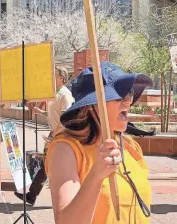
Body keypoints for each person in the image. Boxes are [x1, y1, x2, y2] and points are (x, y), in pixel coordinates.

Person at [45, 62, 152, 224]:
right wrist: (96, 175)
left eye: (129, 92)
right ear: (92, 106)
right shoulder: (66, 150)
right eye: (119, 95)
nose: (129, 100)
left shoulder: (131, 146)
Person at [14, 66, 74, 206]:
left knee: (51, 165)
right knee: (46, 165)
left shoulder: (66, 95)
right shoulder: (55, 94)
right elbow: (56, 115)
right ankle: (32, 195)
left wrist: (56, 136)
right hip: (55, 133)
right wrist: (41, 112)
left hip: (61, 135)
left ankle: (37, 195)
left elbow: (67, 118)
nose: (51, 76)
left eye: (54, 74)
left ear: (61, 78)